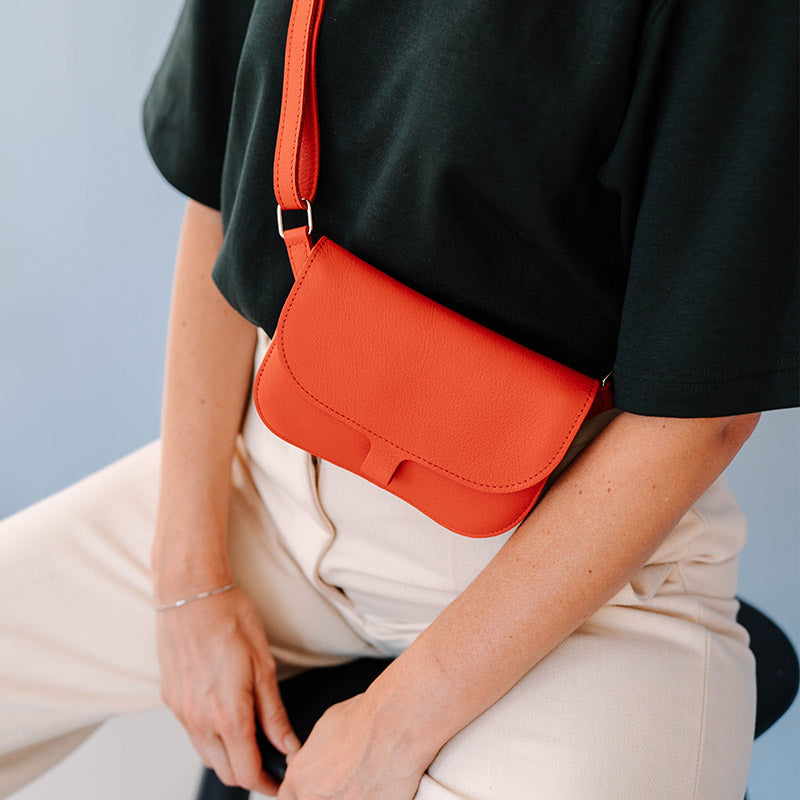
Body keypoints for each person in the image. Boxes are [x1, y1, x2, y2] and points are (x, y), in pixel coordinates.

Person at [1, 1, 797, 798]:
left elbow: (701, 420)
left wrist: (393, 723)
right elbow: (223, 173)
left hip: (579, 574)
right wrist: (187, 580)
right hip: (269, 487)